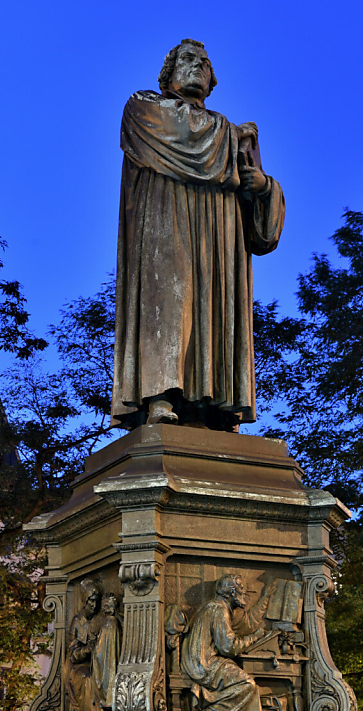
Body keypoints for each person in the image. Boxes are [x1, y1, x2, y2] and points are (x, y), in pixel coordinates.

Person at [111, 38, 285, 430]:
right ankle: (159, 397)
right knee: (170, 303)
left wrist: (262, 187)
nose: (198, 66)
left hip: (221, 240)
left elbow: (262, 235)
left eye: (205, 63)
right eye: (188, 59)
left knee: (216, 306)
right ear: (168, 73)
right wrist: (235, 141)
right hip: (167, 225)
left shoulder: (230, 134)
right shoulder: (145, 108)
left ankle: (218, 405)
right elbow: (190, 142)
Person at [181, 574, 275, 711]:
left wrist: (265, 597)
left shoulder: (216, 607)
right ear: (231, 592)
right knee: (247, 685)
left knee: (241, 680)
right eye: (241, 589)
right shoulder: (218, 609)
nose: (244, 594)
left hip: (200, 660)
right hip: (204, 664)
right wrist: (256, 637)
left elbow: (247, 625)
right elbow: (228, 647)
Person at [65, 579, 104, 711]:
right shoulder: (77, 622)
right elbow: (73, 655)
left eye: (96, 602)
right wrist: (89, 649)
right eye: (91, 601)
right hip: (78, 669)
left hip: (95, 664)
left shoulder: (98, 620)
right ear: (84, 601)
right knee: (89, 680)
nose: (94, 605)